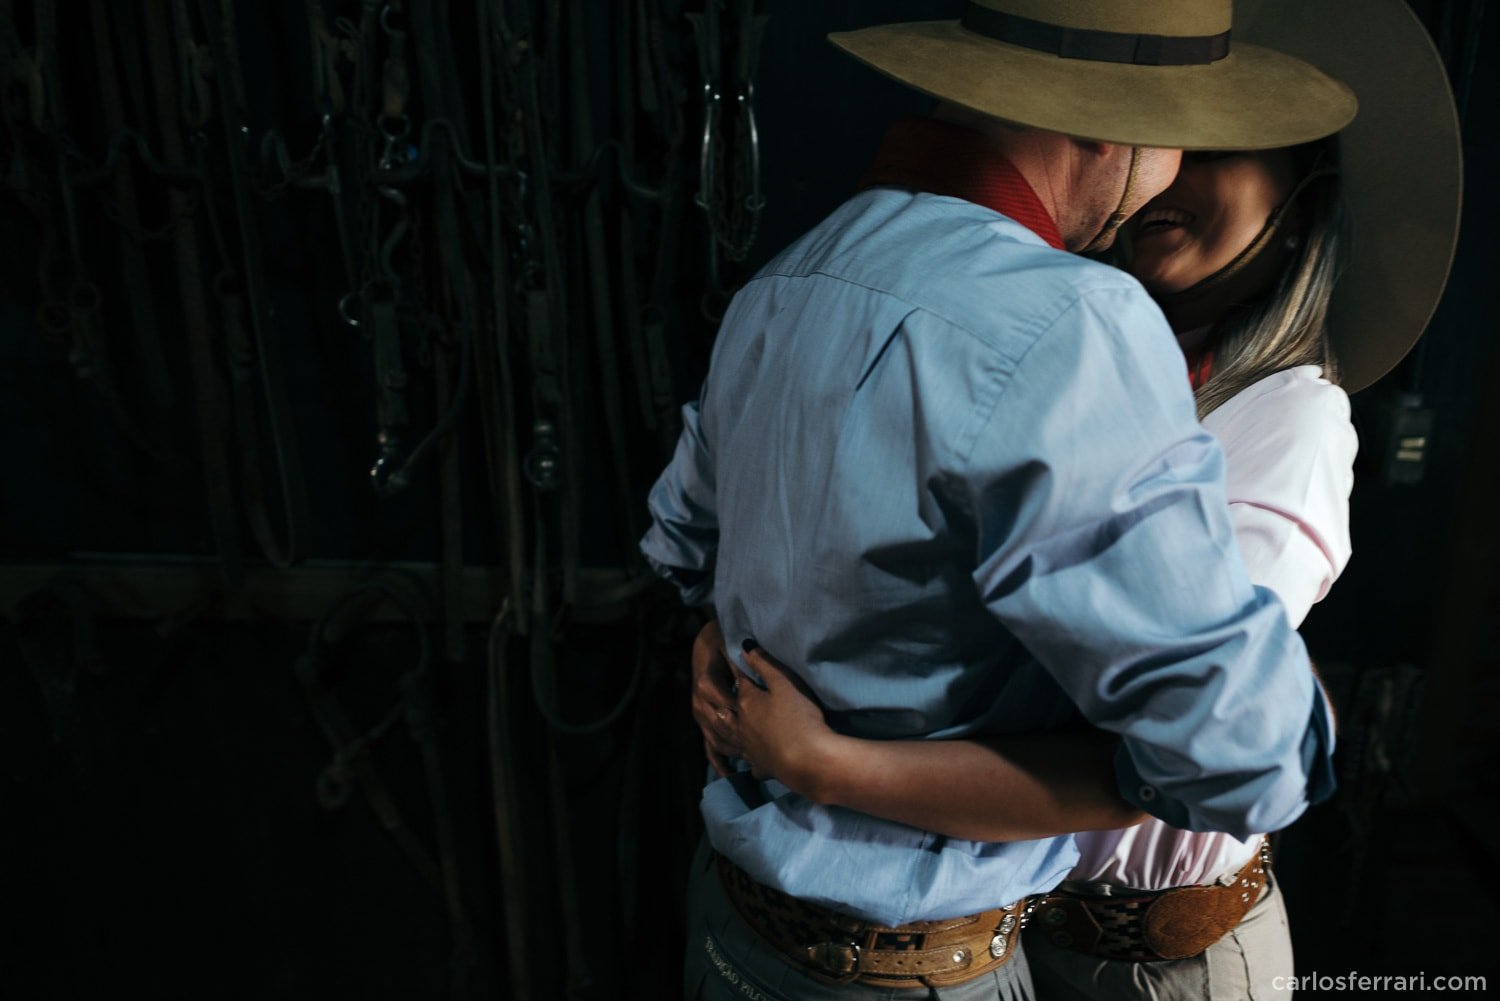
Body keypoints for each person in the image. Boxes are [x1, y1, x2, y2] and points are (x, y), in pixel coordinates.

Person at [684, 0, 1463, 998]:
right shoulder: (1073, 338)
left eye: (1223, 146)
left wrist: (824, 754)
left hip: (1144, 948)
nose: (1173, 177)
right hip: (976, 939)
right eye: (1185, 133)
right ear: (1114, 122)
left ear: (1305, 193)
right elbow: (1235, 742)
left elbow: (1212, 749)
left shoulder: (794, 278)